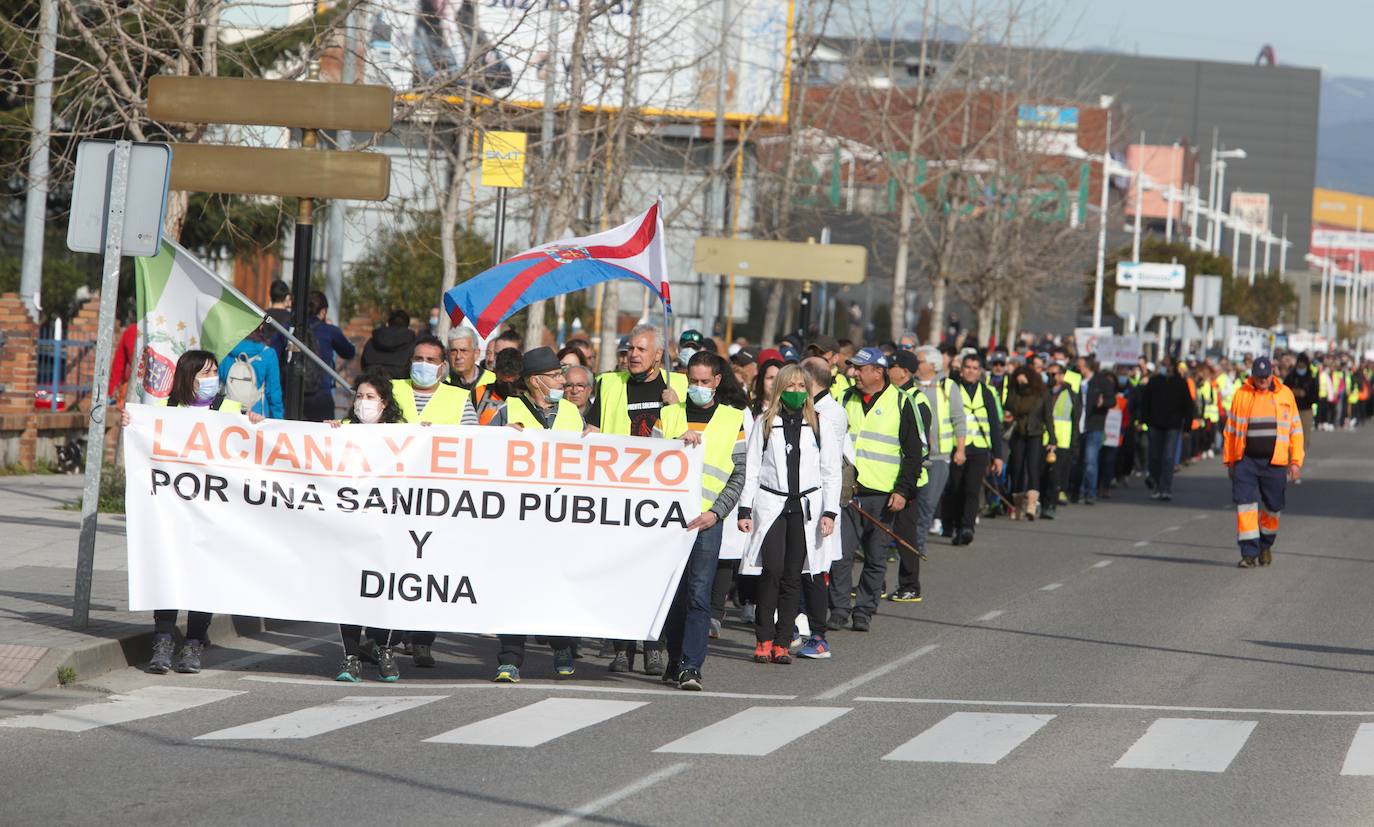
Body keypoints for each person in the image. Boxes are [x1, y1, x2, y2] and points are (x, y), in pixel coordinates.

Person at [120, 350, 263, 675]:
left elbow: (251, 445)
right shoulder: (165, 412)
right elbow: (145, 446)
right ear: (188, 376)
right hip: (173, 512)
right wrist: (131, 425)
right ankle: (163, 640)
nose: (213, 379)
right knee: (168, 571)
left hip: (213, 513)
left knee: (204, 575)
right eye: (206, 373)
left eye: (215, 372)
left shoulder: (227, 409)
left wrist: (253, 421)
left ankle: (195, 642)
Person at [585, 323, 686, 673]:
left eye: (642, 349)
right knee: (622, 575)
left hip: (660, 498)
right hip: (619, 495)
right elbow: (594, 430)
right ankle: (622, 648)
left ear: (659, 354)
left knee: (656, 575)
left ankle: (654, 645)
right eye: (630, 348)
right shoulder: (610, 384)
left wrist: (674, 407)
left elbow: (688, 437)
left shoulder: (680, 386)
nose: (634, 355)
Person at [488, 347, 588, 682]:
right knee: (515, 587)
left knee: (557, 584)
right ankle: (510, 658)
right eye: (556, 375)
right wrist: (499, 439)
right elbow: (480, 452)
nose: (564, 381)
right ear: (536, 381)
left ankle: (562, 645)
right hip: (519, 518)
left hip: (561, 518)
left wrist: (596, 440)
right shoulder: (508, 411)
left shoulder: (573, 415)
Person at [656, 352, 749, 689]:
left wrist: (716, 513)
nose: (697, 387)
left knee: (698, 593)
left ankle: (691, 666)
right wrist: (673, 446)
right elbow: (647, 462)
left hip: (707, 521)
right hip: (669, 521)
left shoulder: (731, 419)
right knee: (674, 595)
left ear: (717, 382)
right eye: (692, 381)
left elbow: (739, 474)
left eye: (704, 382)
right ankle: (676, 657)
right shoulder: (668, 416)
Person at [737, 364, 841, 663]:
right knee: (771, 571)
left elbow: (831, 472)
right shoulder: (765, 422)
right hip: (772, 505)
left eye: (800, 387)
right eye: (790, 386)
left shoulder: (819, 425)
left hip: (806, 508)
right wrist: (745, 508)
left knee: (794, 576)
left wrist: (830, 512)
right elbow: (753, 469)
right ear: (780, 388)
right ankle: (764, 639)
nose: (795, 392)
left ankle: (784, 641)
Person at [392, 335, 479, 666]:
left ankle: (423, 639)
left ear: (442, 367)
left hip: (438, 500)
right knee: (395, 566)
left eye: (430, 361)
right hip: (395, 497)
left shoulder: (459, 399)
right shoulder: (393, 390)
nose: (423, 366)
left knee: (431, 569)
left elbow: (471, 444)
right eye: (418, 359)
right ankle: (388, 633)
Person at [829, 347, 924, 632]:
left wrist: (903, 491)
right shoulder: (846, 398)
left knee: (875, 556)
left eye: (860, 368)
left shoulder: (902, 402)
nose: (854, 373)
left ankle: (864, 611)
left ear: (878, 371)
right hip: (849, 493)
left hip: (884, 496)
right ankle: (839, 609)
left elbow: (914, 453)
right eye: (854, 368)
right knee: (842, 555)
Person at [326, 372, 404, 682]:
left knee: (382, 590)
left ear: (384, 403)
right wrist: (326, 434)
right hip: (349, 527)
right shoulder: (342, 431)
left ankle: (384, 650)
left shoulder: (402, 436)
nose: (363, 403)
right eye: (358, 396)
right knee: (349, 592)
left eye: (370, 397)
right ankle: (350, 656)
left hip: (386, 527)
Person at [1224, 356, 1304, 568]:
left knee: (1273, 506)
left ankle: (1265, 545)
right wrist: (1230, 461)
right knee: (1245, 505)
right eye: (1258, 376)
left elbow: (1296, 431)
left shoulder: (1284, 394)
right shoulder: (1241, 395)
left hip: (1275, 462)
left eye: (1265, 376)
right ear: (1252, 376)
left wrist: (1295, 462)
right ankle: (1248, 553)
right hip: (1246, 461)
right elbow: (1230, 431)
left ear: (1271, 374)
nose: (1262, 380)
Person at [903, 345, 965, 561]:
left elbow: (959, 419)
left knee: (928, 503)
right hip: (913, 455)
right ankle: (906, 544)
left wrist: (960, 449)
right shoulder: (909, 386)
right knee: (912, 502)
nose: (916, 366)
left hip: (939, 457)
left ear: (933, 365)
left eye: (919, 362)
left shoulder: (948, 387)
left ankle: (917, 545)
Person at [943, 354, 1005, 545]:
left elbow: (995, 424)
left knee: (972, 489)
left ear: (980, 372)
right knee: (955, 489)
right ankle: (952, 524)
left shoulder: (986, 392)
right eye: (968, 367)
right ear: (961, 370)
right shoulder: (952, 389)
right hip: (956, 446)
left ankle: (967, 527)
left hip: (979, 448)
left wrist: (998, 456)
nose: (971, 371)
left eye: (975, 368)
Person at [281, 290, 356, 421]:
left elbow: (275, 351)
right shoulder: (330, 331)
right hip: (321, 395)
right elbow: (349, 352)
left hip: (291, 392)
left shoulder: (288, 328)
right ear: (323, 312)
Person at [1004, 365, 1054, 520]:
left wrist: (1052, 438)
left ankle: (1032, 505)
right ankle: (1018, 505)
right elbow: (1008, 407)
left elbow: (1048, 417)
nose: (1020, 381)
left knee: (1033, 468)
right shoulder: (1014, 392)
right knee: (1017, 468)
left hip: (1035, 433)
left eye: (1023, 377)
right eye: (1018, 378)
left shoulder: (1042, 393)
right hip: (1018, 433)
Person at [1142, 355, 1193, 501]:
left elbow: (1188, 406)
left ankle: (1166, 488)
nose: (1165, 367)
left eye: (1167, 364)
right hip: (1155, 424)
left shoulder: (1180, 383)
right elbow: (1146, 401)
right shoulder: (1154, 381)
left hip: (1173, 426)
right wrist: (1145, 420)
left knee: (1168, 458)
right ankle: (1157, 486)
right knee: (1155, 457)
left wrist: (1187, 428)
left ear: (1172, 366)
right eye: (1163, 364)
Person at [219, 321, 285, 419]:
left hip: (227, 413)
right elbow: (274, 393)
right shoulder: (268, 353)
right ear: (260, 327)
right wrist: (278, 421)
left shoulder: (225, 350)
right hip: (256, 414)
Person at [1076, 355, 1115, 504]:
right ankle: (1076, 490)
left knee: (1090, 460)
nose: (1078, 368)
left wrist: (1103, 402)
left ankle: (1090, 492)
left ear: (1087, 366)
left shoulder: (1101, 381)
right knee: (1077, 461)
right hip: (1077, 425)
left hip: (1094, 425)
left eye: (1080, 365)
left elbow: (1112, 400)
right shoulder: (1074, 379)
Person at [360, 309, 417, 381]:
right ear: (408, 325)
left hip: (372, 384)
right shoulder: (414, 344)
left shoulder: (372, 341)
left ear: (388, 323)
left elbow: (363, 365)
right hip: (401, 387)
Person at [443, 326, 496, 392]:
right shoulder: (442, 382)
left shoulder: (493, 381)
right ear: (447, 354)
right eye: (453, 351)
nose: (458, 356)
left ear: (476, 353)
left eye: (463, 351)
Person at [1285, 353, 1318, 447]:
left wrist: (1304, 394)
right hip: (1292, 410)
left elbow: (1315, 397)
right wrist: (1292, 392)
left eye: (1303, 366)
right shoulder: (1291, 377)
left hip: (1306, 411)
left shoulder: (1311, 379)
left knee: (1304, 437)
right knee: (1291, 436)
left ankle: (1299, 456)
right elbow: (1284, 390)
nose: (1301, 368)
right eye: (1299, 366)